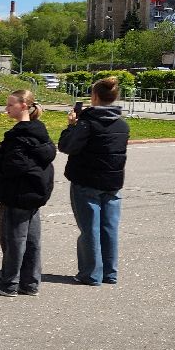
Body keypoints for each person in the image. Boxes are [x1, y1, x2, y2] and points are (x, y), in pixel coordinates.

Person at [0, 89, 56, 297]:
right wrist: (2, 150)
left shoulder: (19, 136)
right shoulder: (39, 132)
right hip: (34, 193)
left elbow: (12, 166)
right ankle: (30, 283)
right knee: (32, 241)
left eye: (10, 105)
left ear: (24, 106)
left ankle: (9, 284)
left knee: (13, 240)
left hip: (18, 194)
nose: (7, 109)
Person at [58, 77, 130, 286]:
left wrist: (72, 125)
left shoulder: (87, 124)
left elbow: (66, 146)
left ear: (95, 97)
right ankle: (109, 272)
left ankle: (91, 274)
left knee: (90, 229)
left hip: (87, 181)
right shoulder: (122, 125)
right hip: (113, 181)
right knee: (109, 228)